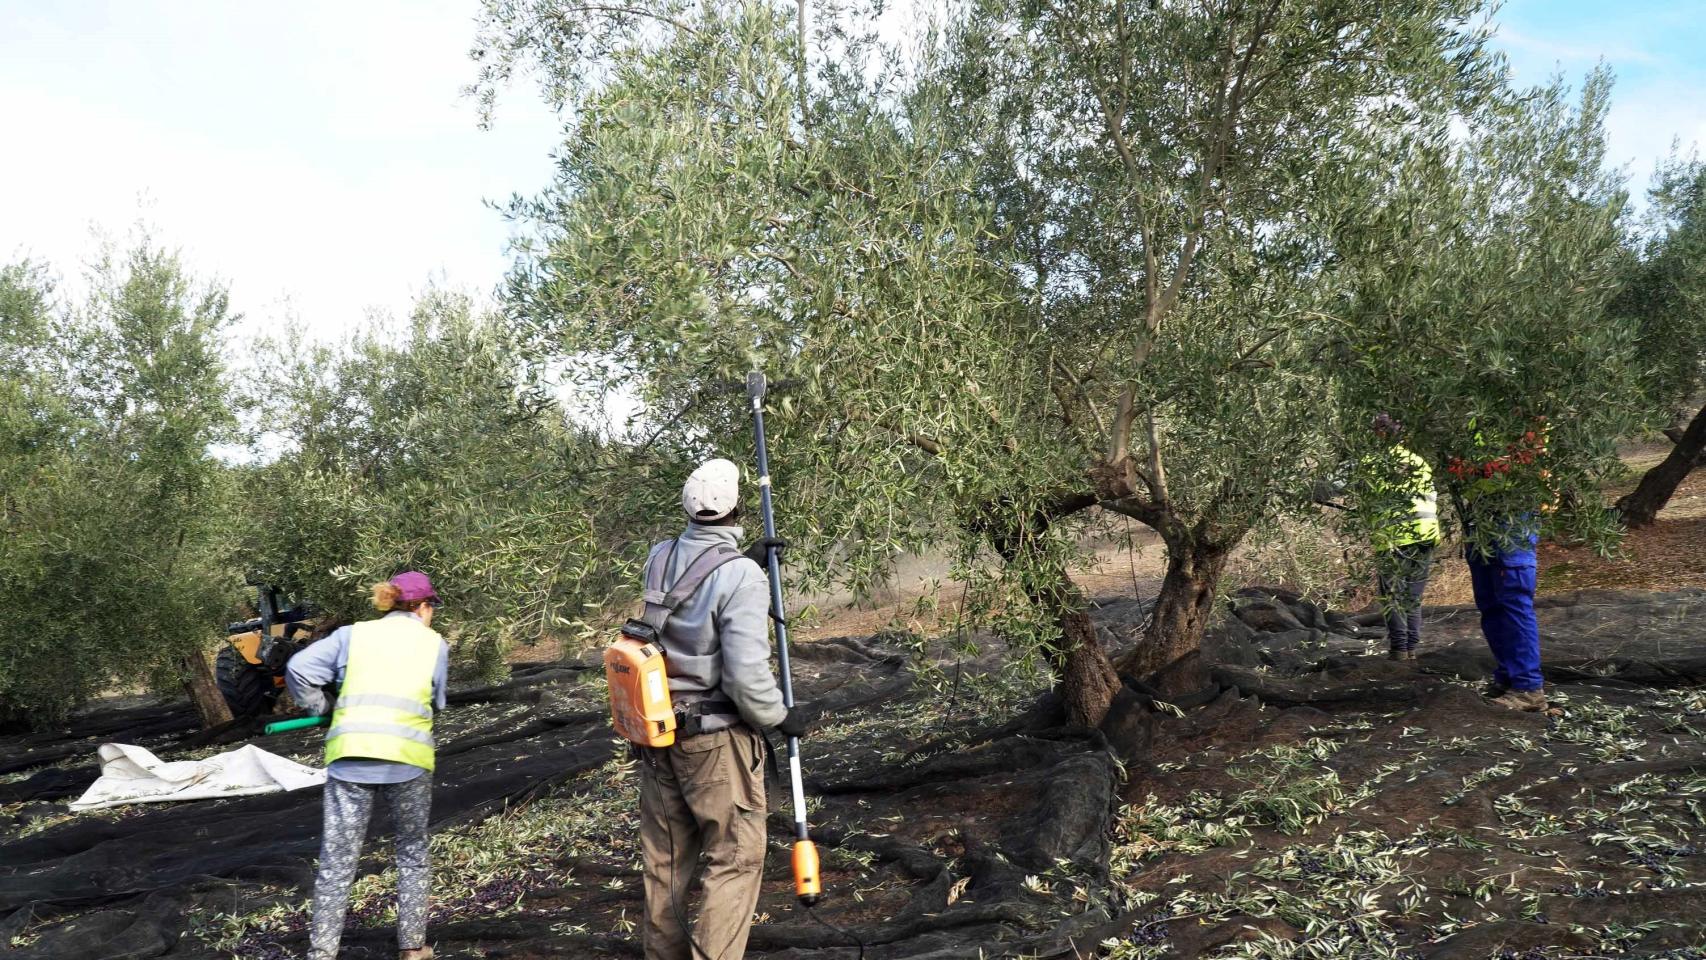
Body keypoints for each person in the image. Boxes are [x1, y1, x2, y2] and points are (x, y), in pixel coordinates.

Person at [638, 457, 817, 960]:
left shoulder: (660, 555)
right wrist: (779, 716)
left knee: (665, 862)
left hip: (659, 731)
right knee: (735, 858)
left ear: (687, 506)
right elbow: (744, 674)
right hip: (715, 741)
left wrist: (747, 564)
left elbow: (687, 603)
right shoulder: (739, 576)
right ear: (738, 507)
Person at [286, 571, 450, 960]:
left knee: (337, 860)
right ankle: (412, 948)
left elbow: (298, 670)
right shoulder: (435, 644)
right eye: (432, 609)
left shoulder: (351, 635)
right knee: (411, 851)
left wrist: (323, 707)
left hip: (350, 759)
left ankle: (322, 953)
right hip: (408, 761)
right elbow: (437, 702)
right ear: (424, 608)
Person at [1356, 414, 1441, 662]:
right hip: (1425, 535)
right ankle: (1411, 649)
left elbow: (1364, 497)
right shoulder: (1419, 461)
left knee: (1393, 596)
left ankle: (1399, 650)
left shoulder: (1372, 462)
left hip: (1395, 538)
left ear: (1380, 433)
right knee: (1412, 596)